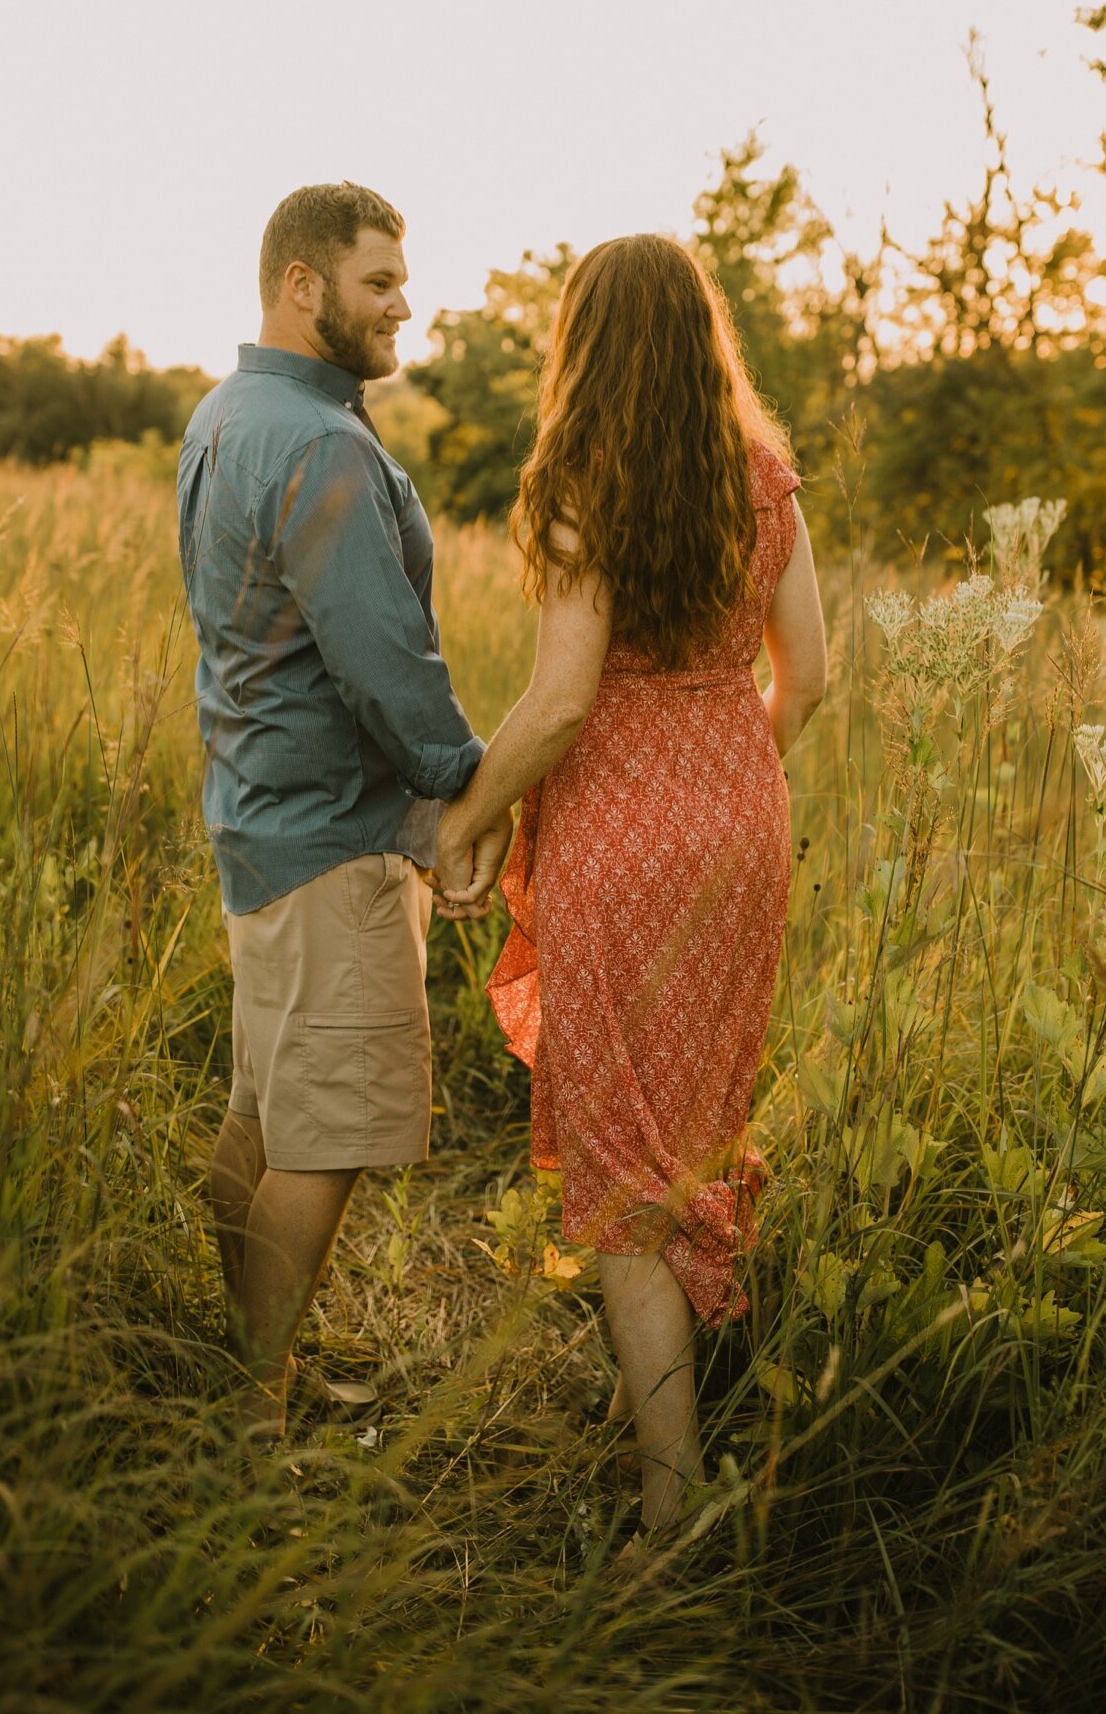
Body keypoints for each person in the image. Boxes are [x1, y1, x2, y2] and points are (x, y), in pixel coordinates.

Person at [434, 234, 827, 1538]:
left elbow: (556, 705)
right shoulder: (767, 479)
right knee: (699, 1126)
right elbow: (809, 680)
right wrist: (722, 786)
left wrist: (468, 816)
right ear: (704, 333)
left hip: (621, 843)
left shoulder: (581, 482)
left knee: (619, 1172)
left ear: (585, 343)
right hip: (745, 831)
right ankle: (674, 1397)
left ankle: (675, 1512)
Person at [177, 180, 509, 1437]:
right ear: (303, 285)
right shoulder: (318, 442)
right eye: (379, 283)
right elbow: (384, 661)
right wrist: (469, 789)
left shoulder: (225, 415)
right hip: (331, 837)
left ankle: (243, 1361)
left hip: (258, 822)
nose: (404, 306)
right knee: (321, 1140)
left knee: (263, 1111)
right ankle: (254, 1411)